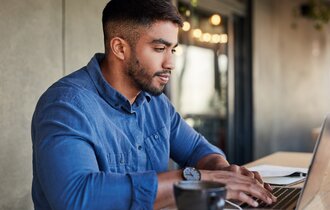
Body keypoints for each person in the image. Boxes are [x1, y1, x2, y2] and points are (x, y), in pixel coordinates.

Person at [31, 0, 276, 209]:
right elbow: (77, 197)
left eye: (173, 49)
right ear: (119, 48)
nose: (171, 63)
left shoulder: (156, 103)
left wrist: (224, 172)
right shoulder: (65, 105)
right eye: (160, 48)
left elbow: (195, 150)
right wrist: (193, 178)